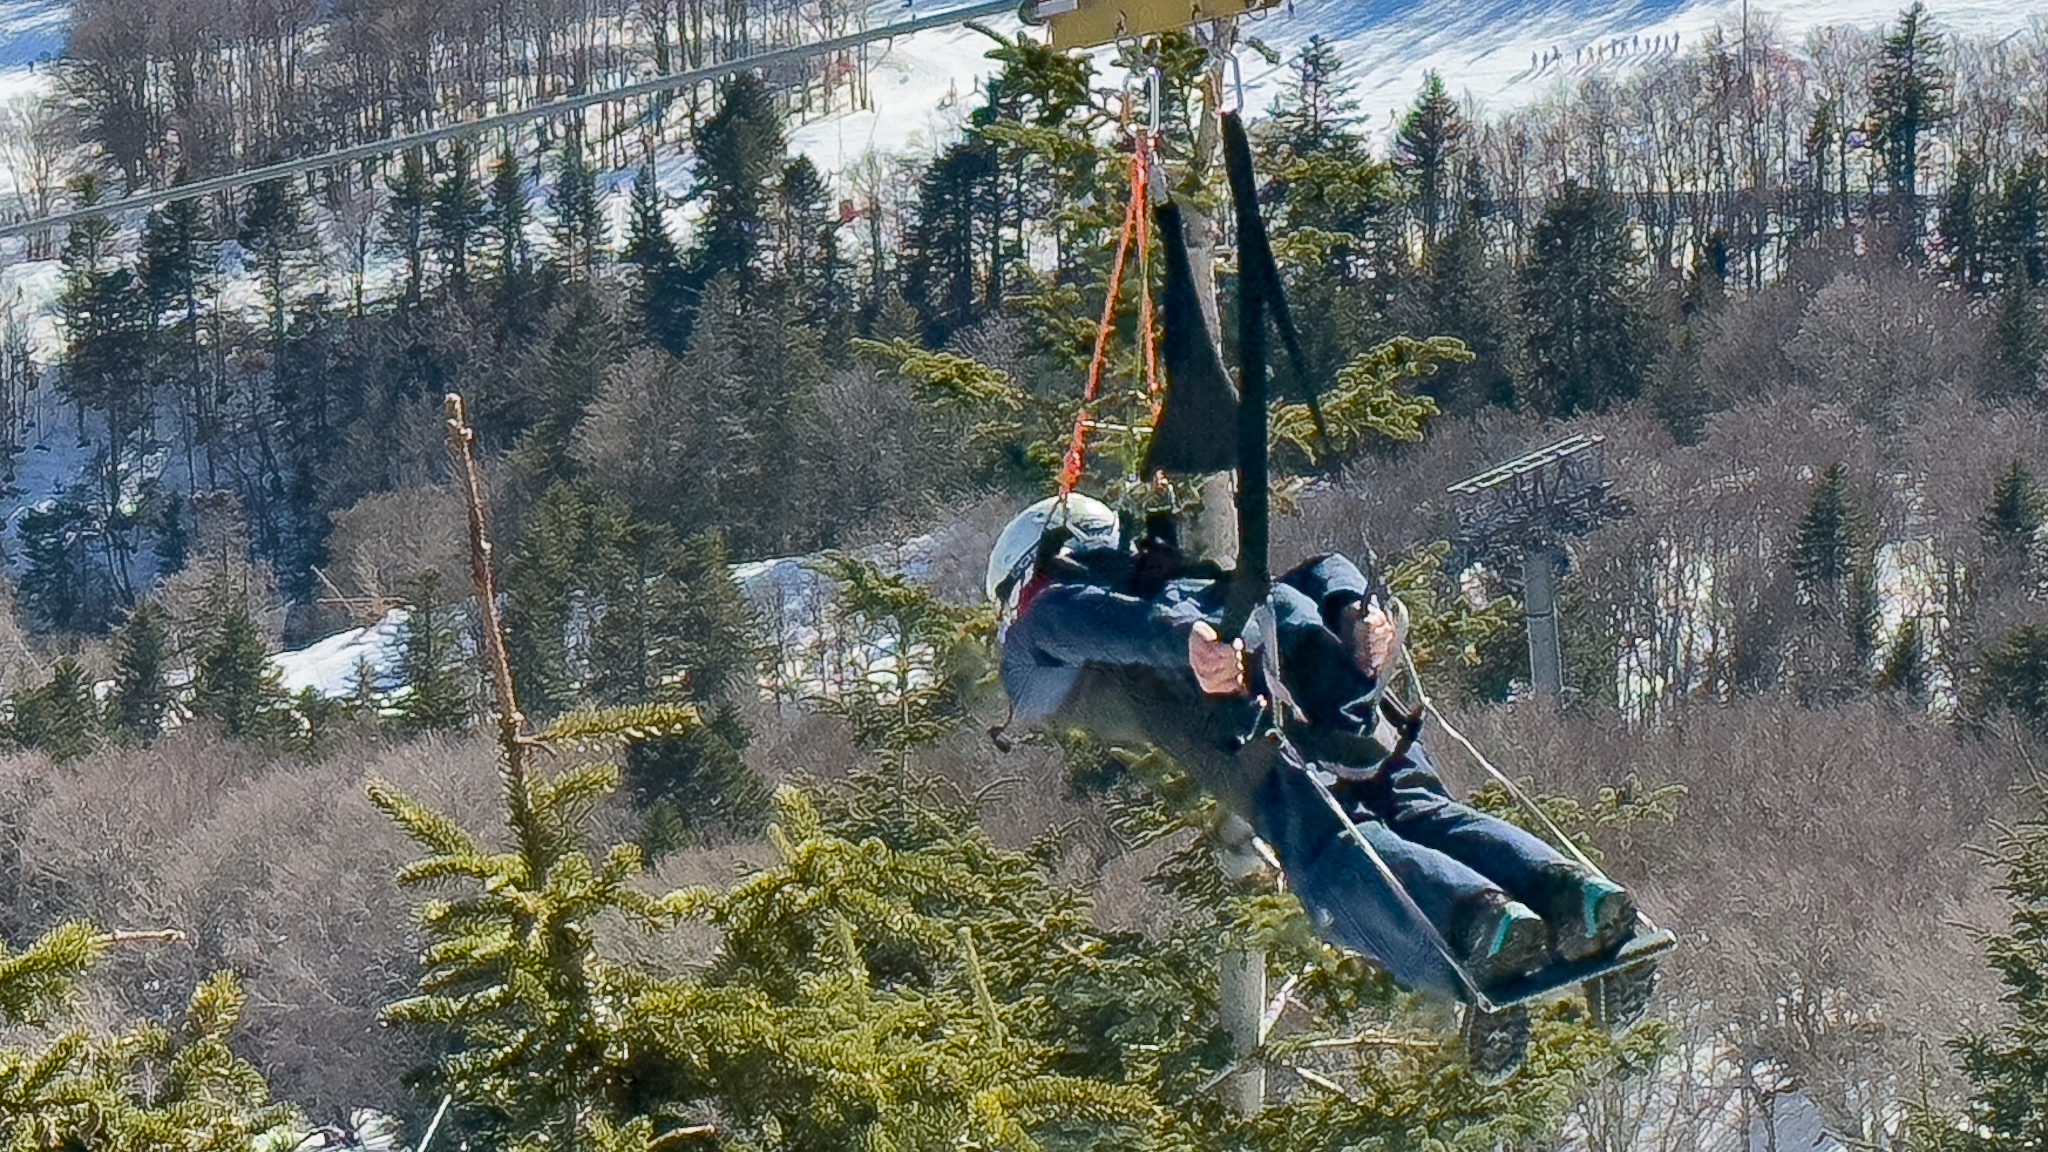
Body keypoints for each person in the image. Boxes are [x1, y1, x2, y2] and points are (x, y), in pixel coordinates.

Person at [988, 495, 1643, 1012]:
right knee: (1424, 815)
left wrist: (1183, 644)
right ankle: (1577, 896)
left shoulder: (1051, 616)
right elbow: (1325, 567)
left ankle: (1478, 919)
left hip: (1261, 733)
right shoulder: (1205, 586)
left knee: (1335, 865)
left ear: (1035, 570)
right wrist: (1356, 613)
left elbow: (1061, 627)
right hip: (1352, 709)